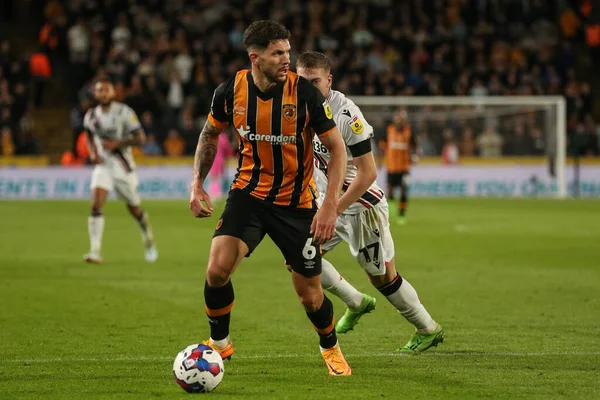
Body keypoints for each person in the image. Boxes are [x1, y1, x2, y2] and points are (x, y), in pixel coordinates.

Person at [189, 21, 351, 376]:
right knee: (217, 271)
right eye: (278, 53)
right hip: (248, 194)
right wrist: (197, 183)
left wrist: (329, 206)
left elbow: (338, 150)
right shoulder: (231, 91)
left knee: (310, 295)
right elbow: (209, 134)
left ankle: (331, 347)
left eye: (287, 53)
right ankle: (219, 344)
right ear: (255, 58)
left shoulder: (305, 94)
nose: (286, 60)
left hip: (296, 205)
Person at [296, 52, 444, 354]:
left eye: (315, 82)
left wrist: (333, 208)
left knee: (383, 278)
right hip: (329, 205)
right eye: (302, 81)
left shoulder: (346, 115)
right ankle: (355, 301)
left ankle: (427, 328)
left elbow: (368, 173)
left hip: (361, 208)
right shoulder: (298, 108)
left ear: (329, 81)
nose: (308, 87)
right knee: (298, 258)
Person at [83, 78, 158, 264]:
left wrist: (119, 143)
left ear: (113, 93)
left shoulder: (124, 112)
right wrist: (93, 153)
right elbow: (88, 135)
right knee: (96, 204)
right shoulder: (91, 116)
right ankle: (94, 251)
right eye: (100, 90)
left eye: (107, 90)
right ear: (96, 94)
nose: (103, 93)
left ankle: (147, 237)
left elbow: (140, 138)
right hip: (104, 167)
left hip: (123, 167)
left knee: (134, 209)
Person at [380, 108, 417, 225]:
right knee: (390, 191)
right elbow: (383, 147)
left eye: (401, 119)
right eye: (397, 119)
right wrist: (380, 161)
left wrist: (414, 156)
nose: (399, 121)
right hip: (391, 166)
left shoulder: (409, 132)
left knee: (403, 190)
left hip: (404, 167)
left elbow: (414, 146)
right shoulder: (389, 131)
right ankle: (392, 209)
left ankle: (401, 214)